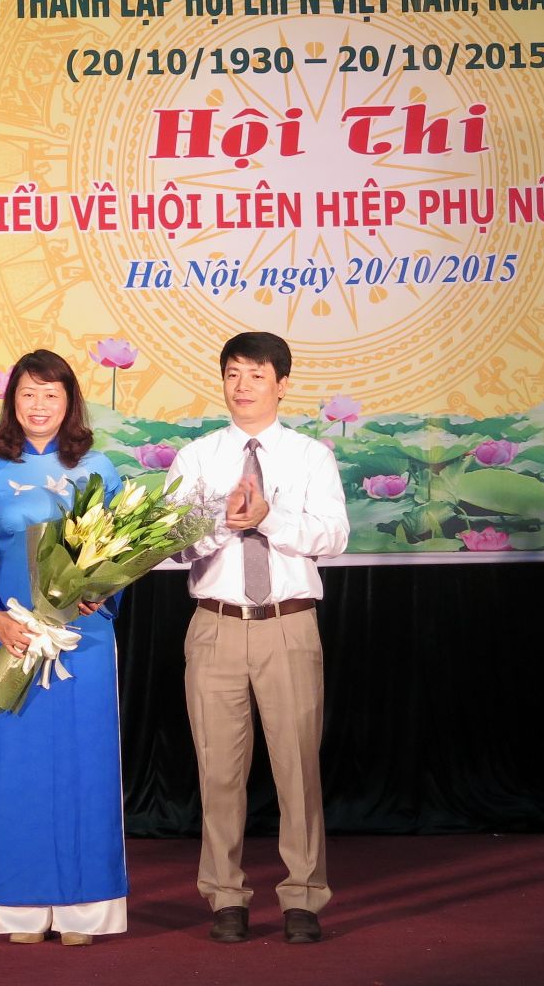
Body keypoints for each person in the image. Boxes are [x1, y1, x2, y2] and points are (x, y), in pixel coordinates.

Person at [164, 332, 350, 945]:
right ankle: (225, 895)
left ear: (282, 384)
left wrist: (270, 517)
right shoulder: (197, 457)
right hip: (215, 625)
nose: (242, 386)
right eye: (233, 374)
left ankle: (303, 897)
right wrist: (223, 522)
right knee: (218, 771)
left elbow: (334, 536)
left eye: (256, 375)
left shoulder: (310, 456)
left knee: (297, 767)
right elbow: (173, 544)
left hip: (288, 625)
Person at [0, 349, 126, 946]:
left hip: (83, 641)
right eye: (28, 393)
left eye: (51, 394)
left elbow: (120, 556)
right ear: (12, 402)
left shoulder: (101, 470)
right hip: (15, 641)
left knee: (86, 768)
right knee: (17, 772)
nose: (39, 405)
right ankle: (22, 910)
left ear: (69, 402)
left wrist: (98, 595)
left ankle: (85, 911)